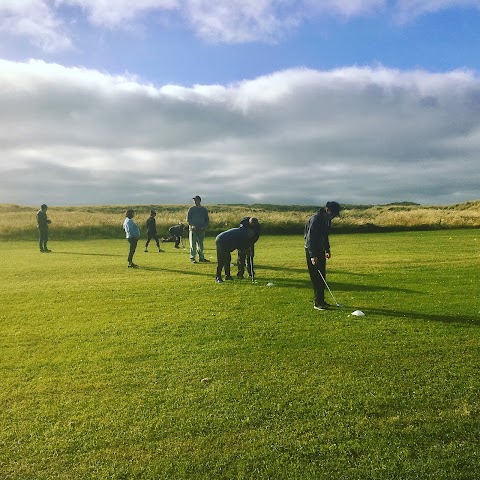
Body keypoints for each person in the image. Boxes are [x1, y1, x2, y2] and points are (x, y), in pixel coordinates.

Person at [304, 201, 341, 310]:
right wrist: (313, 255)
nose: (333, 216)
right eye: (333, 213)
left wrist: (327, 249)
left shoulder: (327, 221)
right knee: (316, 277)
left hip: (320, 250)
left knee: (322, 276)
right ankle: (318, 303)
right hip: (312, 250)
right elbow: (310, 239)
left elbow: (325, 236)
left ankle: (321, 300)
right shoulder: (315, 220)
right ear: (327, 210)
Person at [215, 217, 260, 283]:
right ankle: (218, 277)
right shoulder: (243, 236)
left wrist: (247, 250)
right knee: (222, 260)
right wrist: (247, 251)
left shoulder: (245, 233)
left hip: (227, 241)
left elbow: (242, 247)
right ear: (249, 234)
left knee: (228, 259)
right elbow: (241, 247)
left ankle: (227, 276)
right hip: (221, 240)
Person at [187, 195, 210, 263]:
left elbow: (207, 220)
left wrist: (204, 226)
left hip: (201, 229)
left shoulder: (204, 210)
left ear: (199, 200)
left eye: (196, 200)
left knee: (201, 244)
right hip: (193, 229)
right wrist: (192, 225)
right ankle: (192, 258)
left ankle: (201, 257)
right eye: (194, 200)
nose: (195, 201)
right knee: (193, 244)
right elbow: (188, 219)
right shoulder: (191, 209)